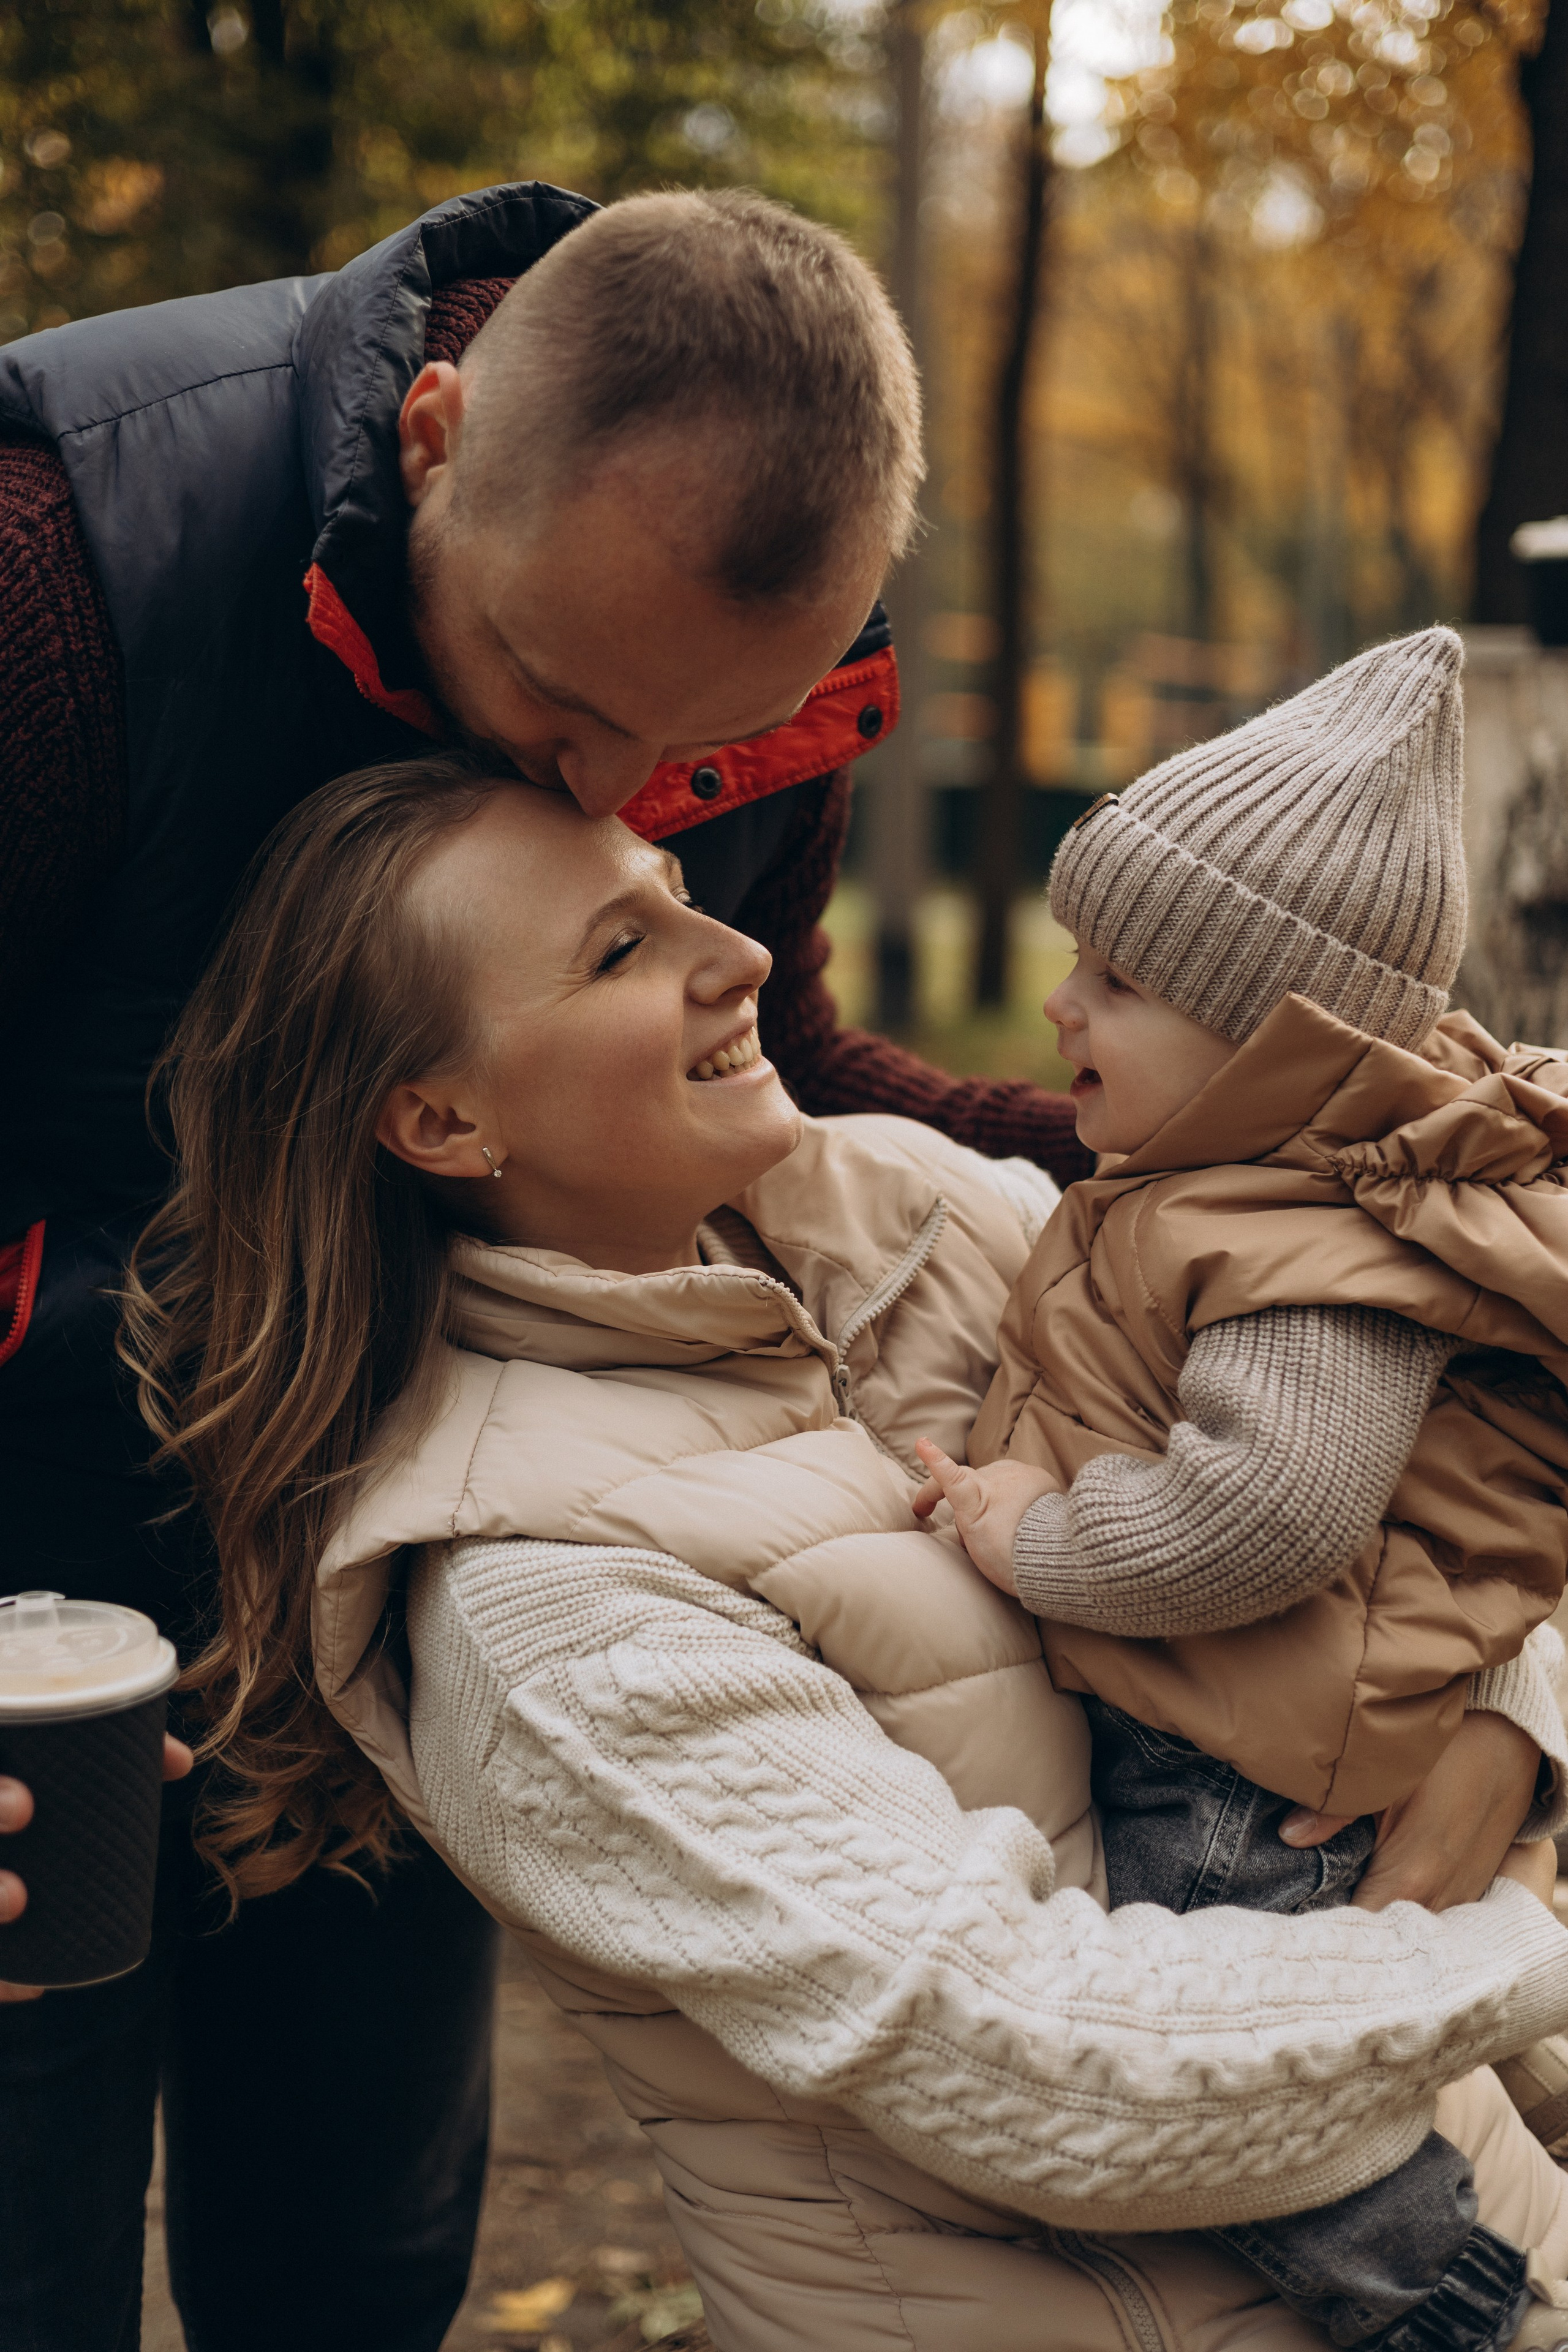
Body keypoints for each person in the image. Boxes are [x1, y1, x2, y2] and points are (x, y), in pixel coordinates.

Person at [0, 181, 1095, 2348]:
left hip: (397, 1517)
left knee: (355, 2261)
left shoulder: (724, 661)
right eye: (565, 697)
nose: (616, 788)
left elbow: (772, 1058)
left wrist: (1183, 1144)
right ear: (434, 435)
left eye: (693, 758)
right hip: (34, 1574)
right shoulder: (64, 570)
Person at [119, 750, 1568, 2352]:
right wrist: (1512, 1940)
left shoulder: (918, 1210)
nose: (741, 954)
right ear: (441, 1118)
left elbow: (1385, 1448)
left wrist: (1510, 1715)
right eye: (621, 950)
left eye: (682, 892)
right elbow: (1040, 2066)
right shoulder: (539, 1600)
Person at [914, 627, 1568, 2352]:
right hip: (1234, 1713)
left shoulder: (1305, 1252)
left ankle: (1432, 2297)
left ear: (1275, 1043)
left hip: (1233, 1764)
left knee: (1217, 2068)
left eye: (1118, 982)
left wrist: (1031, 1542)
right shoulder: (1235, 1176)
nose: (1061, 1005)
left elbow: (1270, 1515)